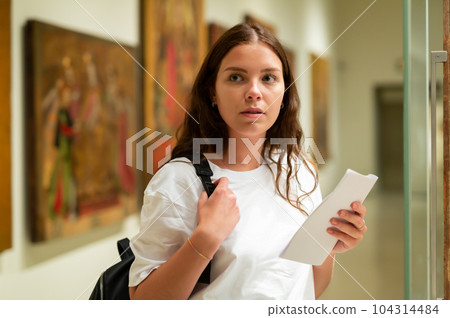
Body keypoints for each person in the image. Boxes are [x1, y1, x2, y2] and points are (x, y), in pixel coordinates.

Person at [128, 23, 367, 300]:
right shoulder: (179, 180)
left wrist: (328, 243)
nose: (254, 92)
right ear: (212, 93)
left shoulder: (299, 170)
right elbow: (144, 302)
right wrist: (205, 239)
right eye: (236, 78)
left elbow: (310, 287)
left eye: (268, 78)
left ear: (284, 92)